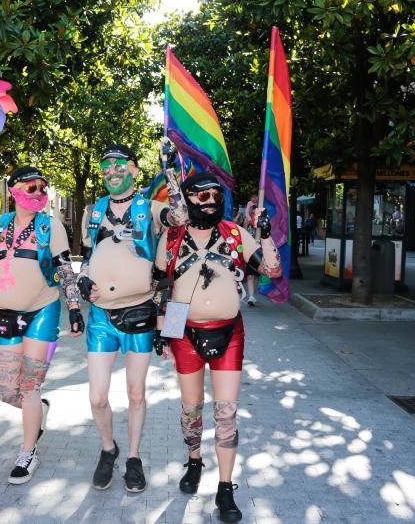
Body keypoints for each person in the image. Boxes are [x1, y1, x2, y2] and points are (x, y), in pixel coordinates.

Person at [152, 173, 282, 523]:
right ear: (188, 199)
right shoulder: (173, 236)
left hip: (229, 335)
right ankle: (194, 460)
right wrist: (161, 333)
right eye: (200, 194)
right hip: (185, 335)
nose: (208, 199)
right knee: (191, 409)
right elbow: (161, 284)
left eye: (213, 193)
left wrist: (265, 233)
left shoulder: (235, 234)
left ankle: (225, 488)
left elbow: (272, 269)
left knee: (226, 413)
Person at [76, 143, 188, 492]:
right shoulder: (93, 211)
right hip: (99, 317)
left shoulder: (151, 208)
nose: (112, 171)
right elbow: (86, 256)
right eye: (106, 165)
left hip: (140, 313)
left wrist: (170, 171)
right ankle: (109, 448)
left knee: (136, 393)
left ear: (135, 170)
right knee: (97, 397)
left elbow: (181, 217)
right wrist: (81, 280)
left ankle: (134, 458)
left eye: (120, 164)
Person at [0, 166, 85, 484]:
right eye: (32, 187)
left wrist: (74, 308)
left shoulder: (50, 225)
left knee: (29, 386)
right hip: (6, 316)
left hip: (41, 313)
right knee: (7, 391)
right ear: (14, 191)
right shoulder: (1, 224)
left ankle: (28, 453)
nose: (40, 193)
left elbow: (64, 268)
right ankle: (39, 410)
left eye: (43, 188)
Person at [242, 206, 259, 307]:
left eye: (255, 213)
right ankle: (251, 296)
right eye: (252, 213)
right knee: (250, 275)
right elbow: (243, 234)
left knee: (256, 275)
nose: (253, 215)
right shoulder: (247, 222)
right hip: (248, 251)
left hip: (259, 251)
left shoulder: (260, 223)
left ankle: (253, 295)